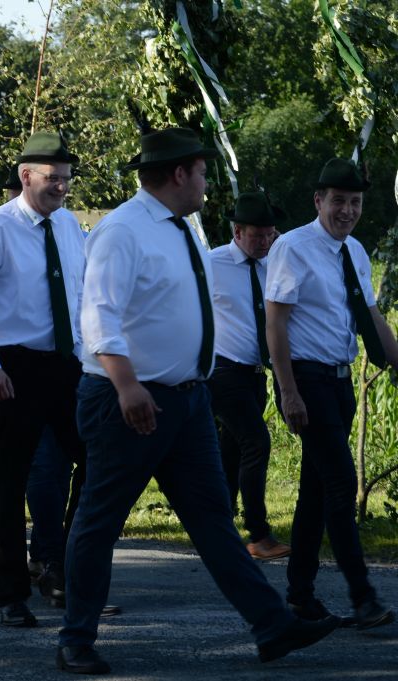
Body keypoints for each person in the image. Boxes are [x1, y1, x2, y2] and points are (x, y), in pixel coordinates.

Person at [58, 127, 338, 674]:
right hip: (128, 401)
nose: (207, 183)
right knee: (100, 520)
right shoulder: (123, 230)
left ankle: (273, 627)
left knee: (213, 520)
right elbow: (97, 315)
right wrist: (126, 384)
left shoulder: (178, 227)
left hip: (188, 402)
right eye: (204, 172)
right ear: (180, 173)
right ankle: (75, 638)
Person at [0, 131, 86, 627]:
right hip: (13, 366)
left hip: (68, 363)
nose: (61, 187)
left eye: (66, 179)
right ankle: (11, 594)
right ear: (25, 176)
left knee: (97, 461)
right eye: (52, 178)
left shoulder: (71, 226)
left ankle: (62, 566)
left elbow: (80, 296)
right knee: (11, 483)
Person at [265, 157, 396, 630]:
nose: (347, 211)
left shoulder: (354, 251)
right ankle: (363, 597)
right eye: (338, 201)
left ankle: (300, 596)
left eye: (355, 202)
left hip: (340, 383)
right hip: (307, 380)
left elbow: (373, 318)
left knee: (315, 491)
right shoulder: (293, 248)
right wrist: (288, 392)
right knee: (341, 485)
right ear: (318, 200)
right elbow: (275, 323)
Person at [209, 191, 290, 560]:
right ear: (237, 231)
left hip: (257, 374)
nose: (265, 242)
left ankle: (219, 526)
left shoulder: (275, 264)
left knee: (232, 449)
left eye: (270, 234)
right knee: (256, 442)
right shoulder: (212, 263)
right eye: (257, 235)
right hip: (223, 370)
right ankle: (258, 533)